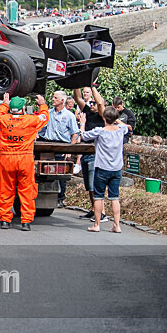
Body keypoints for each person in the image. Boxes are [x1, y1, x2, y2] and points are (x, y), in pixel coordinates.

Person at [0, 93, 49, 231]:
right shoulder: (31, 120)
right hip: (25, 158)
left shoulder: (3, 119)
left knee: (5, 190)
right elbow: (45, 117)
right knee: (27, 190)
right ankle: (26, 222)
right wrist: (42, 104)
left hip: (7, 159)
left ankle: (5, 220)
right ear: (23, 108)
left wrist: (5, 103)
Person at [80, 108, 130, 233]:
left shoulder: (100, 131)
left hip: (102, 167)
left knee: (98, 197)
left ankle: (97, 224)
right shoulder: (121, 131)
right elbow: (127, 127)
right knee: (114, 197)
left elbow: (84, 136)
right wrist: (116, 119)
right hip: (116, 168)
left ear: (103, 118)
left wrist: (82, 124)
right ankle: (117, 225)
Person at [38, 90, 80, 208]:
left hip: (62, 146)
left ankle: (61, 197)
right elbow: (40, 128)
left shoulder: (69, 116)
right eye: (53, 97)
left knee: (61, 173)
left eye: (55, 98)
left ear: (62, 100)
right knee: (43, 170)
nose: (53, 99)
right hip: (47, 145)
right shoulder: (48, 113)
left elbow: (75, 133)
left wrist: (69, 150)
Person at [74, 85, 108, 223]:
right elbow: (77, 98)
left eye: (94, 103)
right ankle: (94, 209)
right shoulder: (87, 111)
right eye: (91, 102)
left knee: (95, 185)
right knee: (89, 185)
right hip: (86, 152)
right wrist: (76, 82)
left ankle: (103, 212)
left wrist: (93, 87)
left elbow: (100, 103)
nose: (92, 104)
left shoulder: (102, 115)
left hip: (96, 152)